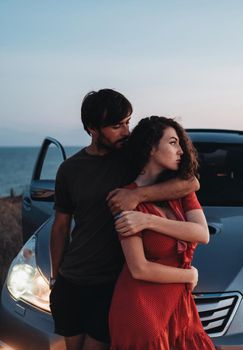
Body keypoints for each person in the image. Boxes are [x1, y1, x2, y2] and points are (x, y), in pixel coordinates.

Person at [49, 90, 199, 350]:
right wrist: (56, 278)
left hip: (109, 283)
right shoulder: (70, 170)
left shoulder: (131, 158)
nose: (126, 132)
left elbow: (190, 182)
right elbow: (61, 227)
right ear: (91, 129)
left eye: (128, 122)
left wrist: (138, 194)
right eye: (117, 126)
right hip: (70, 280)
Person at [109, 116, 215, 350]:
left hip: (180, 306)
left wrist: (148, 220)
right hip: (143, 310)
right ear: (150, 148)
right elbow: (139, 268)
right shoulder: (125, 198)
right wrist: (189, 276)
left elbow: (201, 233)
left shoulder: (182, 189)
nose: (181, 151)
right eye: (173, 143)